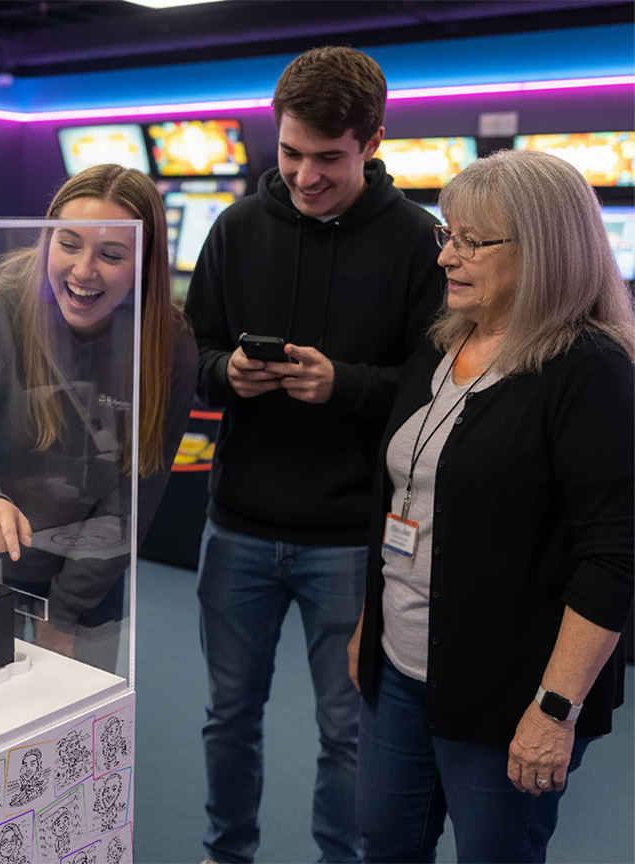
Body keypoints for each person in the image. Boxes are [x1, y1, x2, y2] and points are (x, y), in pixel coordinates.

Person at [183, 46, 446, 863]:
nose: (303, 175)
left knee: (350, 733)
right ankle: (227, 853)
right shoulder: (235, 227)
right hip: (238, 527)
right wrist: (224, 372)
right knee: (229, 718)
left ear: (370, 142)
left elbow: (439, 389)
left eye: (327, 159)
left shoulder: (418, 242)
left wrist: (347, 385)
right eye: (290, 153)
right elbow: (189, 358)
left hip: (353, 537)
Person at [349, 148, 634, 861]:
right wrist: (368, 623)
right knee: (383, 846)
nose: (447, 256)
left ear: (544, 251)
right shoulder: (445, 343)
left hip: (511, 697)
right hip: (399, 669)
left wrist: (555, 710)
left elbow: (615, 558)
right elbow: (405, 497)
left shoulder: (590, 370)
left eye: (474, 241)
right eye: (448, 234)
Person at [0, 163, 197, 671]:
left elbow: (134, 493)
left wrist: (65, 613)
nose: (84, 271)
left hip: (88, 574)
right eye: (68, 244)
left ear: (146, 265)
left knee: (75, 742)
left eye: (111, 255)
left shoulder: (166, 342)